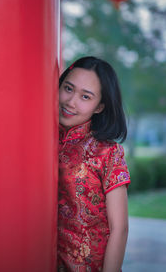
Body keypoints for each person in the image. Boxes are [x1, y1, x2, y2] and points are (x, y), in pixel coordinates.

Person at [58, 56, 130, 272]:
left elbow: (120, 228)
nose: (71, 101)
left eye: (85, 96)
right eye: (68, 88)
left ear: (99, 107)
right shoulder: (41, 139)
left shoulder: (107, 152)